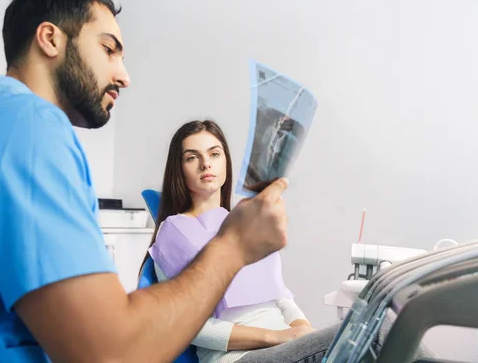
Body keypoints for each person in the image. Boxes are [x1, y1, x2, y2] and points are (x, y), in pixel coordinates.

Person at [0, 0, 291, 363]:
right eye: (109, 49)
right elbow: (107, 352)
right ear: (50, 39)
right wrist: (233, 247)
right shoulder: (23, 125)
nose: (124, 76)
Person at [143, 120, 436, 363]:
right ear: (179, 168)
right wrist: (279, 337)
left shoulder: (248, 222)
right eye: (192, 157)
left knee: (381, 337)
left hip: (286, 346)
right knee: (381, 330)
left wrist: (304, 330)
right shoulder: (174, 233)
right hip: (237, 358)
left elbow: (281, 298)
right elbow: (191, 327)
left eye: (214, 153)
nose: (206, 163)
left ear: (226, 161)